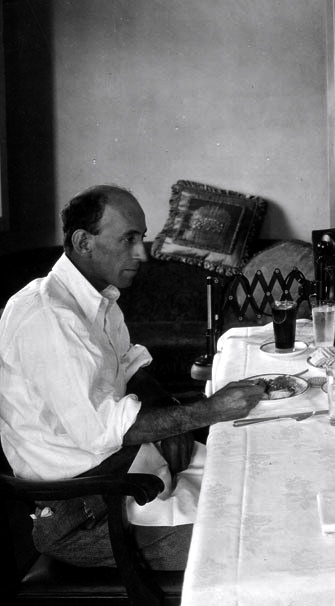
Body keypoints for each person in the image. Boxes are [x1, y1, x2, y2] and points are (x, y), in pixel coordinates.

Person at [0, 185, 267, 570]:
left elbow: (130, 368)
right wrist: (209, 411)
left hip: (130, 468)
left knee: (261, 482)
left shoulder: (99, 300)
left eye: (141, 238)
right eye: (128, 239)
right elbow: (104, 429)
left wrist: (170, 414)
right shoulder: (49, 316)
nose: (141, 253)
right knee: (251, 538)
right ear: (83, 242)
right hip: (86, 509)